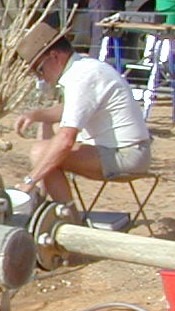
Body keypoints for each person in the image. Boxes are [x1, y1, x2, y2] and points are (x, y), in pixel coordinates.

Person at [13, 19, 152, 206]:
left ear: (55, 56)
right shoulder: (84, 67)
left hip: (127, 155)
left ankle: (67, 215)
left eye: (39, 69)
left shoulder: (81, 78)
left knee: (41, 152)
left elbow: (66, 141)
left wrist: (28, 181)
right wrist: (36, 115)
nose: (40, 78)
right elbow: (74, 110)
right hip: (117, 150)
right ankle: (43, 200)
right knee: (48, 129)